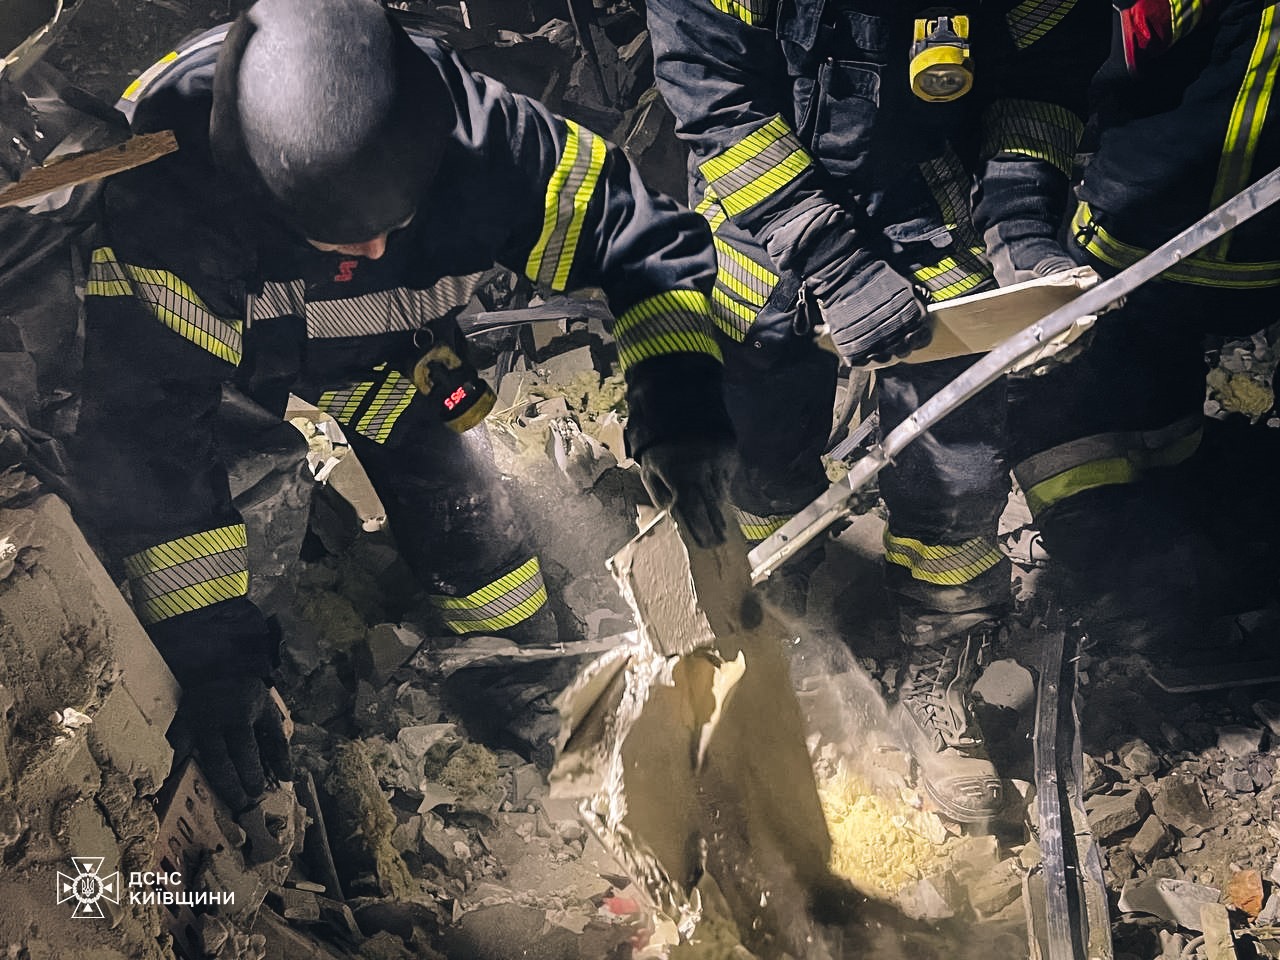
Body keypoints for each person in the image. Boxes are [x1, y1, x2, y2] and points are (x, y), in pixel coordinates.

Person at [71, 0, 734, 813]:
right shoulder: (171, 196)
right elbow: (150, 438)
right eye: (342, 236)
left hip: (383, 357)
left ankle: (514, 669)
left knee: (476, 523)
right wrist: (213, 657)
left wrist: (681, 408)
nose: (377, 249)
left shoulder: (487, 142)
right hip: (229, 367)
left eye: (397, 220)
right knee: (227, 527)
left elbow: (642, 241)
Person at [645, 0, 1107, 821]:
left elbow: (1044, 75)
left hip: (933, 209)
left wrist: (1020, 219)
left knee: (957, 474)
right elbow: (713, 92)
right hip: (762, 226)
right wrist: (833, 258)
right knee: (758, 453)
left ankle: (940, 675)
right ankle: (768, 629)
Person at [1008, 0, 1280, 650]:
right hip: (1261, 260)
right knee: (1168, 410)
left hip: (1144, 232)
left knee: (1076, 412)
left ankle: (1125, 586)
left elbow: (1135, 37)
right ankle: (1172, 568)